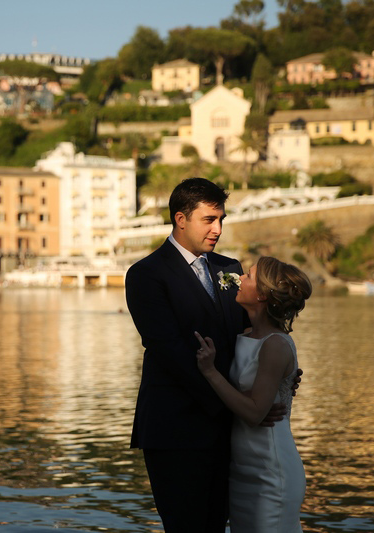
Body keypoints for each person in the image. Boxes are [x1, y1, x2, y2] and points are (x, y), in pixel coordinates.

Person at [125, 178, 299, 532]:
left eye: (222, 219)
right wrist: (245, 410)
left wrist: (278, 375)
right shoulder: (146, 275)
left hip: (230, 434)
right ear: (181, 219)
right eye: (209, 220)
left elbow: (247, 338)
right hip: (176, 431)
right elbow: (171, 353)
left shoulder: (229, 269)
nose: (218, 229)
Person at [195, 256, 312, 532]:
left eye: (248, 276)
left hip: (271, 471)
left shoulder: (275, 345)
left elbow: (254, 413)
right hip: (243, 469)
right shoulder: (244, 336)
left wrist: (210, 372)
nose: (240, 278)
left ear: (261, 294)